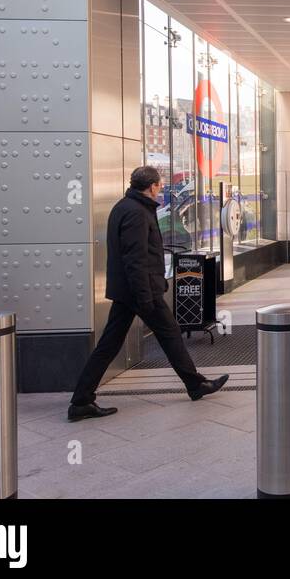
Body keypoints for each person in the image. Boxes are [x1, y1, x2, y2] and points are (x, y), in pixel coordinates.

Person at [68, 166, 228, 421]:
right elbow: (136, 259)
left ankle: (81, 400)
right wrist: (145, 296)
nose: (161, 189)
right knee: (169, 335)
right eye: (160, 185)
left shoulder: (126, 207)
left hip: (130, 291)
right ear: (152, 186)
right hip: (141, 292)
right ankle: (196, 385)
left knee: (111, 345)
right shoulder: (137, 213)